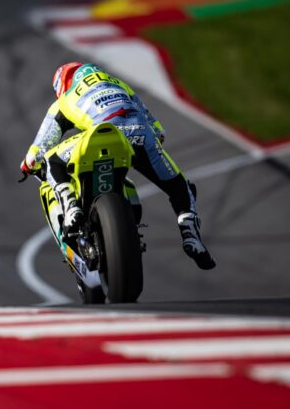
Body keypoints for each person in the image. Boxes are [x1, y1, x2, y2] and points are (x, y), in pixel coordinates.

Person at [20, 62, 215, 270]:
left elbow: (38, 151)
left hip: (99, 136)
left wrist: (27, 166)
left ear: (63, 84)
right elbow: (158, 130)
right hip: (140, 133)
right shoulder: (121, 86)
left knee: (52, 160)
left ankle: (71, 207)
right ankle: (190, 234)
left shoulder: (64, 101)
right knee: (179, 184)